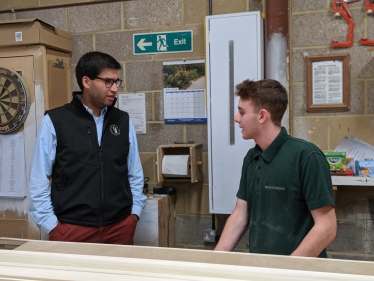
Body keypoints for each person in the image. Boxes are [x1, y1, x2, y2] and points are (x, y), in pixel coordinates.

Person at [29, 51, 147, 244]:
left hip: (119, 228)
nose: (114, 89)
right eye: (108, 81)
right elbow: (39, 178)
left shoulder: (122, 120)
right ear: (86, 81)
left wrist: (133, 215)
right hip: (72, 229)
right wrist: (52, 226)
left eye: (117, 82)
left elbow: (134, 172)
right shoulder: (56, 120)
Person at [214, 79, 336, 257]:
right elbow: (240, 215)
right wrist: (215, 261)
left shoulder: (306, 156)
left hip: (297, 273)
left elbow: (327, 227)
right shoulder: (252, 157)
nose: (236, 118)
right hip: (262, 270)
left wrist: (287, 270)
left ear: (262, 116)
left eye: (242, 112)